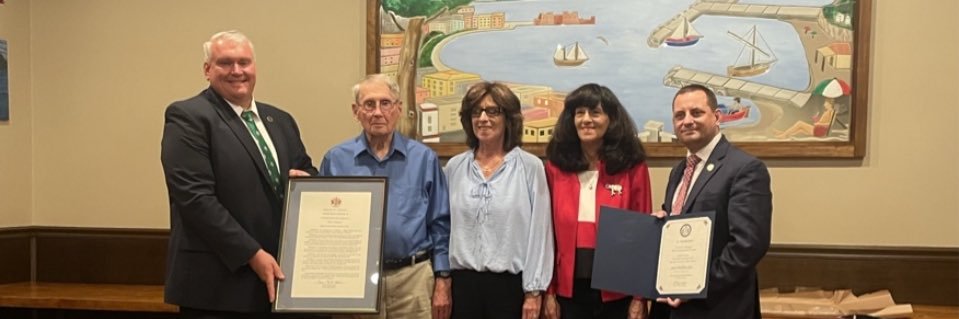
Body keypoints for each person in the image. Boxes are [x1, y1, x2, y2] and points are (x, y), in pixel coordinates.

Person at [161, 30, 318, 318]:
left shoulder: (280, 120)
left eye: (244, 62)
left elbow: (305, 169)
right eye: (225, 63)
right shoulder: (189, 117)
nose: (237, 71)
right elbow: (196, 199)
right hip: (220, 289)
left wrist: (309, 185)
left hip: (282, 285)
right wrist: (253, 255)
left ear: (255, 67)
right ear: (207, 70)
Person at [319, 74, 452, 319]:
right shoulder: (336, 160)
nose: (378, 112)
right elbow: (324, 225)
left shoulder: (424, 159)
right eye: (369, 104)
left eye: (385, 103)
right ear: (356, 111)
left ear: (398, 108)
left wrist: (443, 278)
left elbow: (440, 223)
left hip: (413, 279)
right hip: (355, 280)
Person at [650, 84, 772, 319]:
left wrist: (696, 286)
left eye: (696, 113)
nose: (687, 121)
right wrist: (662, 223)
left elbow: (748, 246)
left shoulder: (745, 168)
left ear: (717, 117)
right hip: (674, 306)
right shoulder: (678, 172)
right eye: (679, 115)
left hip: (720, 307)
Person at [443, 82, 554, 319]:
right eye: (476, 112)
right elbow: (443, 228)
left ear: (509, 118)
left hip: (510, 289)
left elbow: (540, 233)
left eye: (492, 111)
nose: (483, 118)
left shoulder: (530, 167)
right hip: (463, 287)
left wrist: (534, 291)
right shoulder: (454, 168)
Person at [543, 83, 651, 319]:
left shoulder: (632, 167)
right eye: (579, 113)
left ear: (611, 119)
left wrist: (639, 298)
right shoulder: (555, 167)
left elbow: (642, 235)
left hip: (618, 290)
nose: (586, 119)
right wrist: (549, 292)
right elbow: (546, 235)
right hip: (567, 291)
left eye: (595, 112)